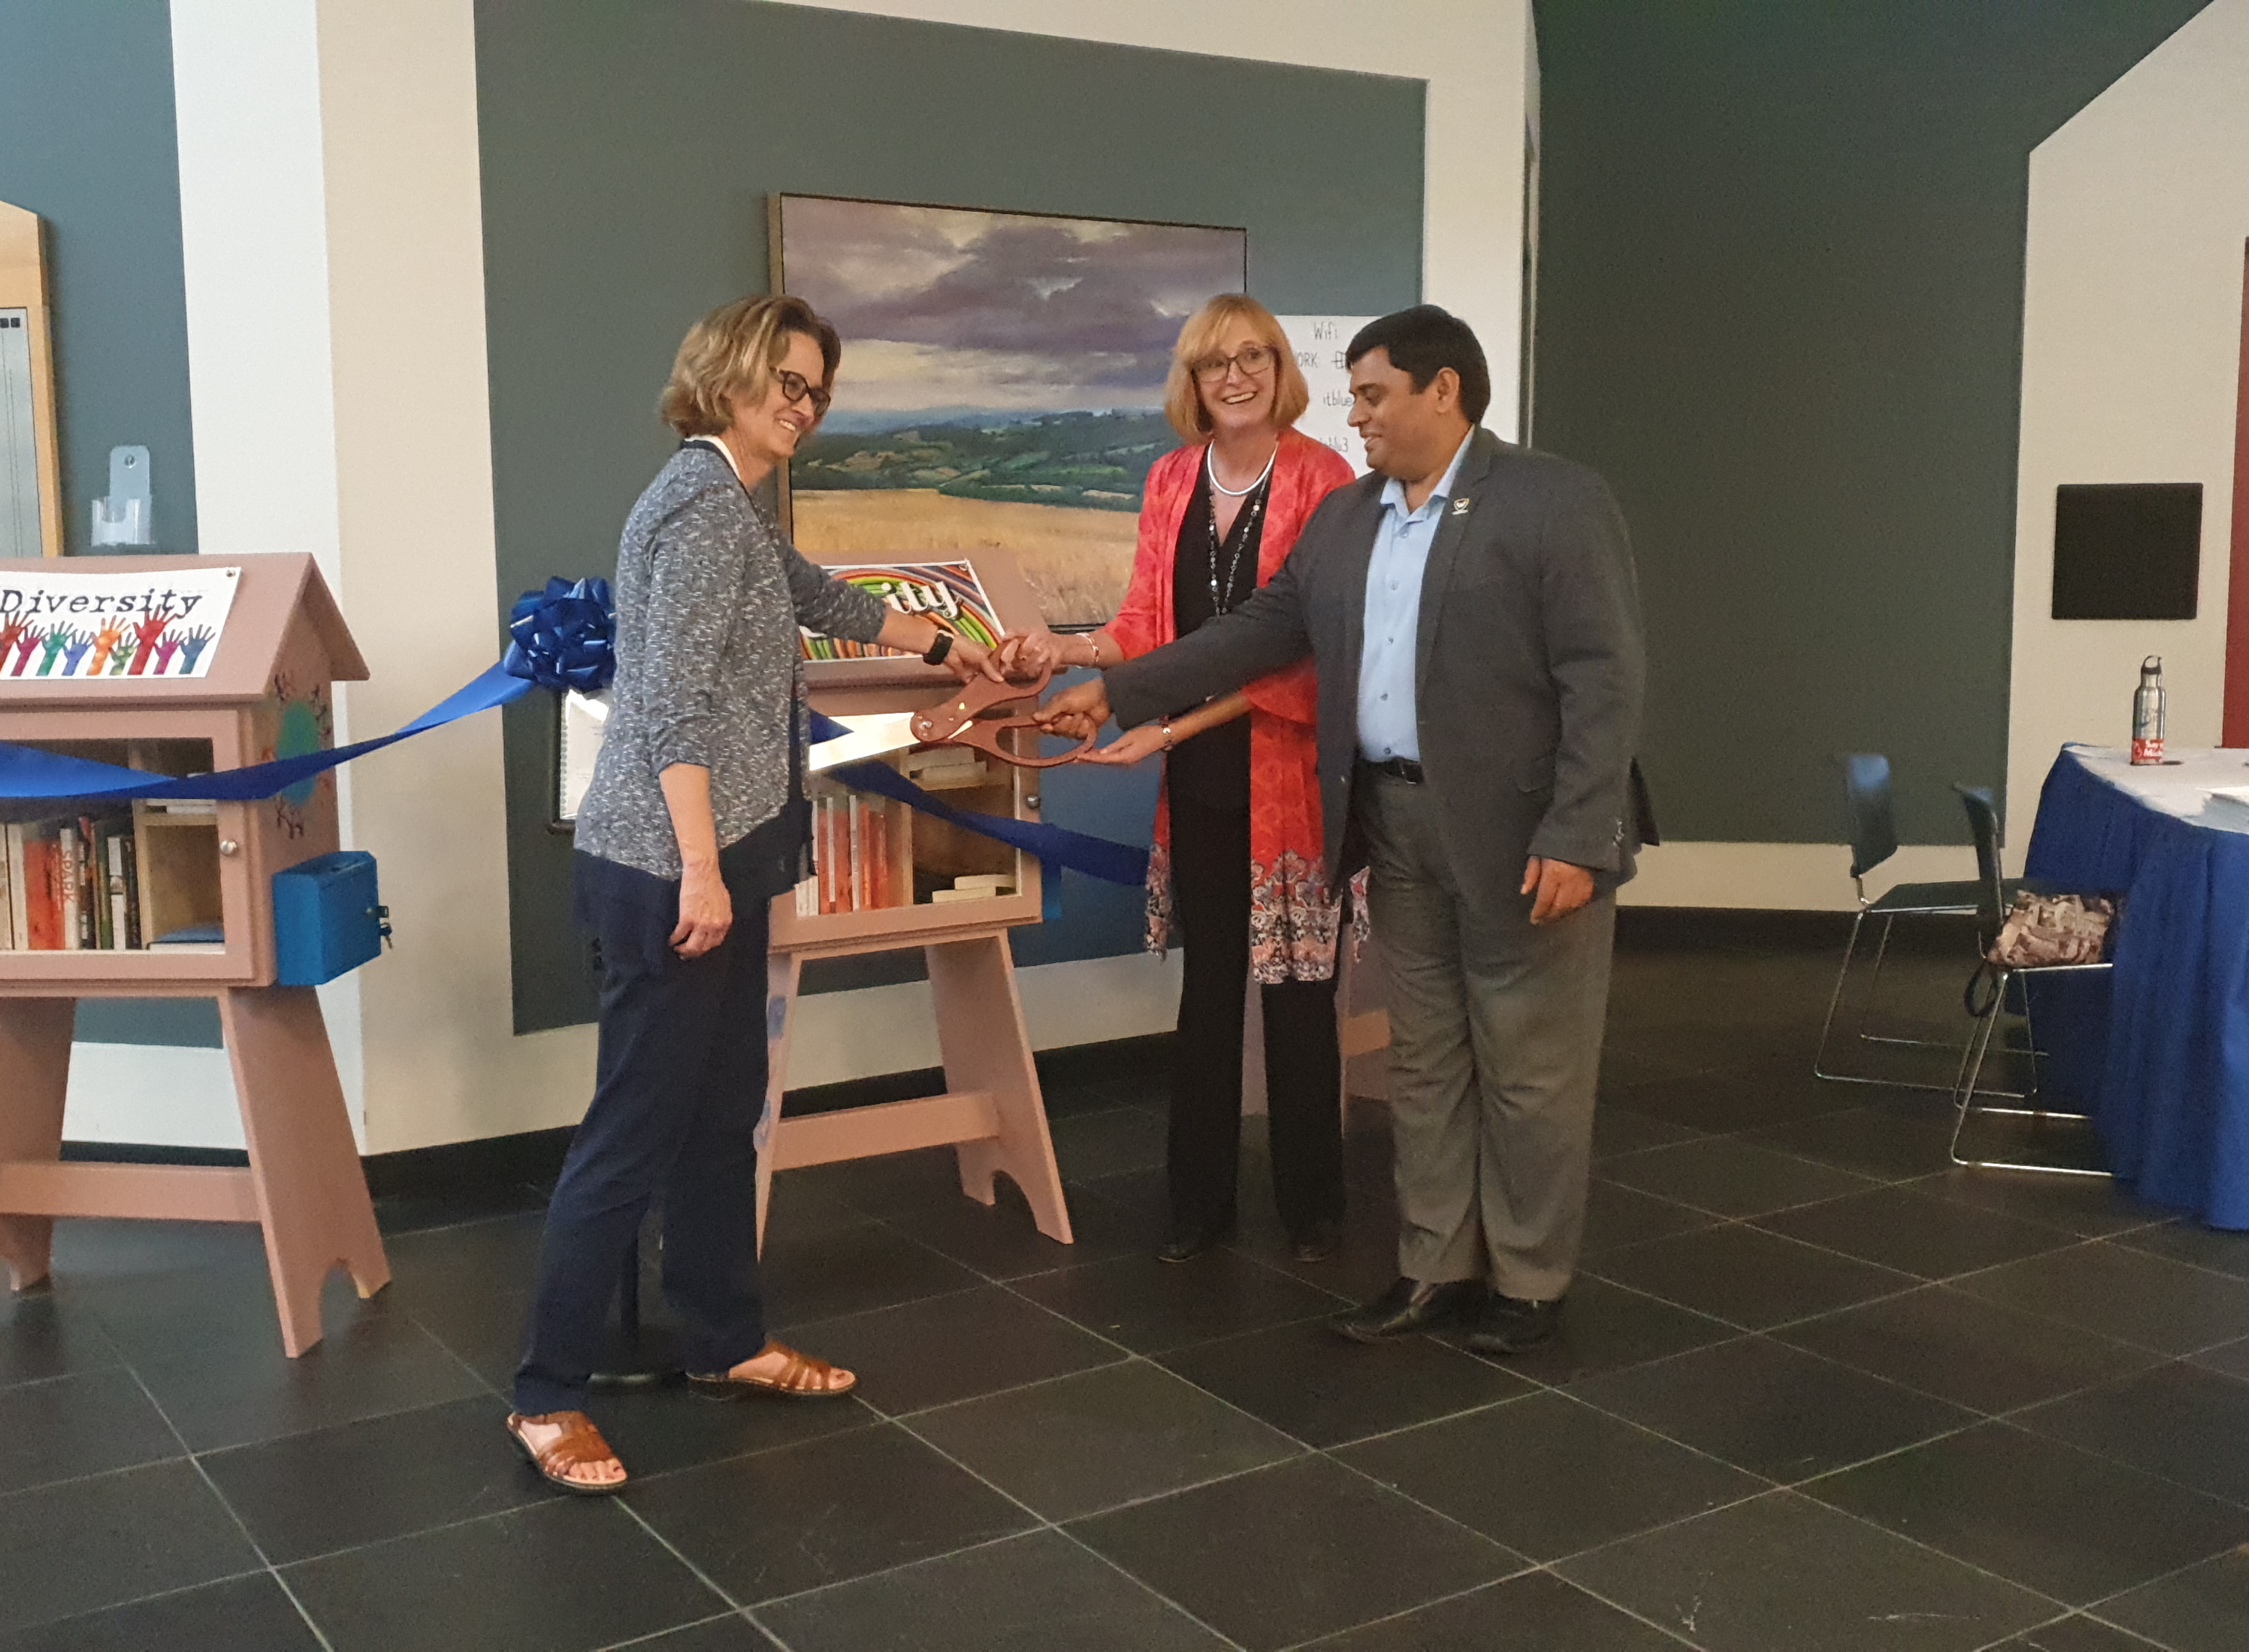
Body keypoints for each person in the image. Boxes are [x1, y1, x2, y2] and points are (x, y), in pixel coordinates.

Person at [1033, 305, 1647, 1355]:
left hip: (1522, 838)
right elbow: (1258, 631)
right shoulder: (1351, 517)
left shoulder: (1554, 501)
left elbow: (1605, 676)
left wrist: (1579, 835)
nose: (1354, 416)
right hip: (1390, 823)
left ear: (1441, 392)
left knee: (1529, 1065)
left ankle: (1529, 1282)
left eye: (1372, 395)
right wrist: (1116, 692)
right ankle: (1433, 1269)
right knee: (1425, 1062)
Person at [507, 295, 992, 1493]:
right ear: (725, 375)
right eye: (785, 379)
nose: (802, 403)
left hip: (713, 858)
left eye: (816, 388)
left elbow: (820, 598)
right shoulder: (697, 512)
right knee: (632, 1135)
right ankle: (544, 1397)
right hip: (672, 872)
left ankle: (725, 1340)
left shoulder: (729, 504)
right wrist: (705, 871)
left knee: (723, 1118)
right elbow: (664, 705)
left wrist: (947, 647)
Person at [994, 296, 1355, 1264]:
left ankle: (1314, 1212)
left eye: (1252, 357)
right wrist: (1067, 653)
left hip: (1290, 778)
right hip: (1197, 778)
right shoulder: (1169, 480)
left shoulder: (1326, 479)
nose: (1234, 377)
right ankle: (1199, 1209)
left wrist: (1165, 727)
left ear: (1281, 370)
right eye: (1213, 364)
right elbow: (1145, 629)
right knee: (1209, 990)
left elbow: (1308, 656)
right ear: (1190, 385)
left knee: (1299, 994)